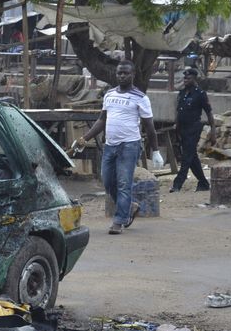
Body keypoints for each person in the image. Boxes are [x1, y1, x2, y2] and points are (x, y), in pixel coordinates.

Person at [72, 60, 163, 235]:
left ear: (133, 75)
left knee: (123, 183)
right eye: (119, 73)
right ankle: (130, 207)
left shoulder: (140, 97)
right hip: (110, 145)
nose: (121, 76)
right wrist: (84, 139)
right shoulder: (110, 94)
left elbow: (150, 126)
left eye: (125, 73)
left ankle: (119, 221)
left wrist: (156, 151)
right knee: (107, 182)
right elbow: (102, 120)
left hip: (129, 146)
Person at [171, 67, 217, 192]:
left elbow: (209, 112)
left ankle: (177, 184)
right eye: (185, 78)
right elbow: (178, 112)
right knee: (192, 158)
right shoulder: (182, 93)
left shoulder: (200, 94)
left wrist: (213, 130)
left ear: (194, 79)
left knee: (186, 157)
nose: (185, 80)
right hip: (182, 129)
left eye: (188, 78)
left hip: (193, 128)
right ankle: (203, 183)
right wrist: (176, 127)